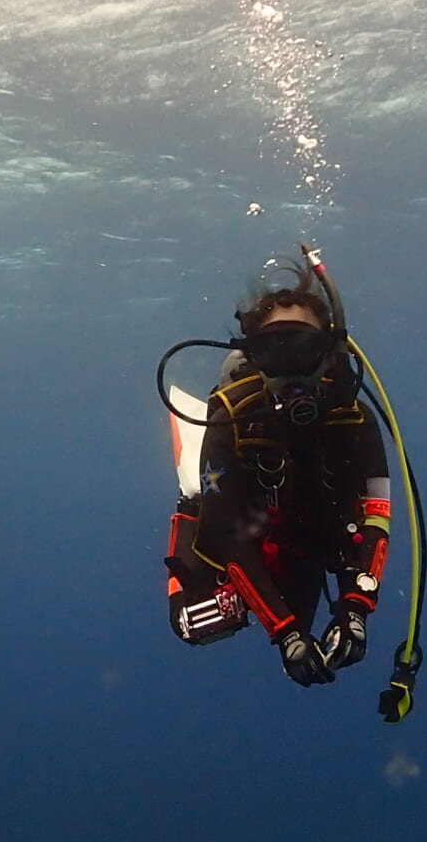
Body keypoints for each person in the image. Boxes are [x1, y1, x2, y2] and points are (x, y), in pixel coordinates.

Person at [167, 256, 392, 688]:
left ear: (328, 354)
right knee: (189, 625)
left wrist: (357, 608)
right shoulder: (230, 417)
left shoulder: (355, 420)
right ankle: (191, 492)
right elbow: (227, 537)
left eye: (303, 349)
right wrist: (286, 632)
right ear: (253, 355)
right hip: (240, 535)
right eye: (274, 351)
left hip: (319, 539)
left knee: (305, 607)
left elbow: (377, 515)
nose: (291, 368)